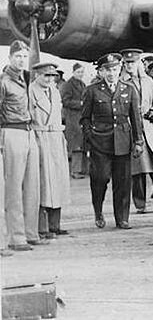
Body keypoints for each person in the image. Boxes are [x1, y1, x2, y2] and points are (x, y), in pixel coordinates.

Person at [80, 52, 144, 230]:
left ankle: (122, 218)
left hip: (123, 140)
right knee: (99, 179)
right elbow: (84, 118)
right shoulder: (92, 90)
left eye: (114, 69)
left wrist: (139, 141)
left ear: (119, 69)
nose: (111, 73)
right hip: (100, 142)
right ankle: (98, 211)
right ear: (100, 72)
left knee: (123, 182)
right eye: (106, 70)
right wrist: (89, 137)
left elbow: (136, 117)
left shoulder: (129, 89)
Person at [2, 40, 41, 252]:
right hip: (11, 132)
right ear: (10, 58)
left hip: (28, 132)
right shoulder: (4, 81)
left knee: (32, 186)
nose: (22, 60)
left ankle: (30, 232)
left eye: (24, 57)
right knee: (13, 188)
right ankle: (16, 237)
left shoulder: (27, 79)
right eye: (18, 56)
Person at [120, 48, 153, 214]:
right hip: (132, 129)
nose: (130, 65)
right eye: (127, 63)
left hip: (149, 128)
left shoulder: (147, 81)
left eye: (133, 62)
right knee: (137, 170)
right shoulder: (122, 82)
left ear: (139, 63)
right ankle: (140, 204)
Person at [29, 62, 71, 239]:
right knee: (43, 183)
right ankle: (42, 227)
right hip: (40, 138)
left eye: (52, 76)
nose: (49, 79)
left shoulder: (54, 91)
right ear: (37, 75)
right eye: (45, 75)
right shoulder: (31, 91)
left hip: (56, 138)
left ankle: (55, 225)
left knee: (58, 182)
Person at [61, 62, 88, 179]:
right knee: (76, 146)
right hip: (73, 119)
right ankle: (75, 171)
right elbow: (65, 101)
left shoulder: (82, 84)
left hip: (81, 118)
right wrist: (80, 104)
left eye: (82, 72)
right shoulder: (68, 85)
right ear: (73, 72)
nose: (80, 74)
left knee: (82, 145)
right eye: (78, 72)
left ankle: (82, 169)